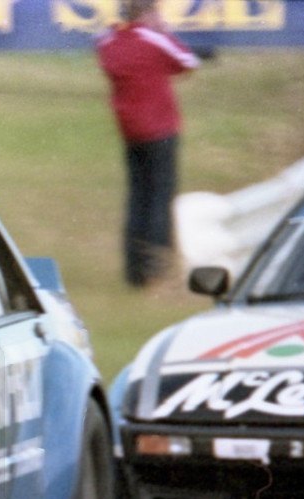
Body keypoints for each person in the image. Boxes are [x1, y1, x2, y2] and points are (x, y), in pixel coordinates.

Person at [96, 0, 200, 287]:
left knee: (137, 198)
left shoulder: (108, 42)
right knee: (160, 198)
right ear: (147, 13)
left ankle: (135, 271)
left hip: (130, 130)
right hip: (160, 128)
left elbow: (106, 51)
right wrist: (163, 33)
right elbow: (188, 62)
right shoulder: (153, 40)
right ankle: (158, 267)